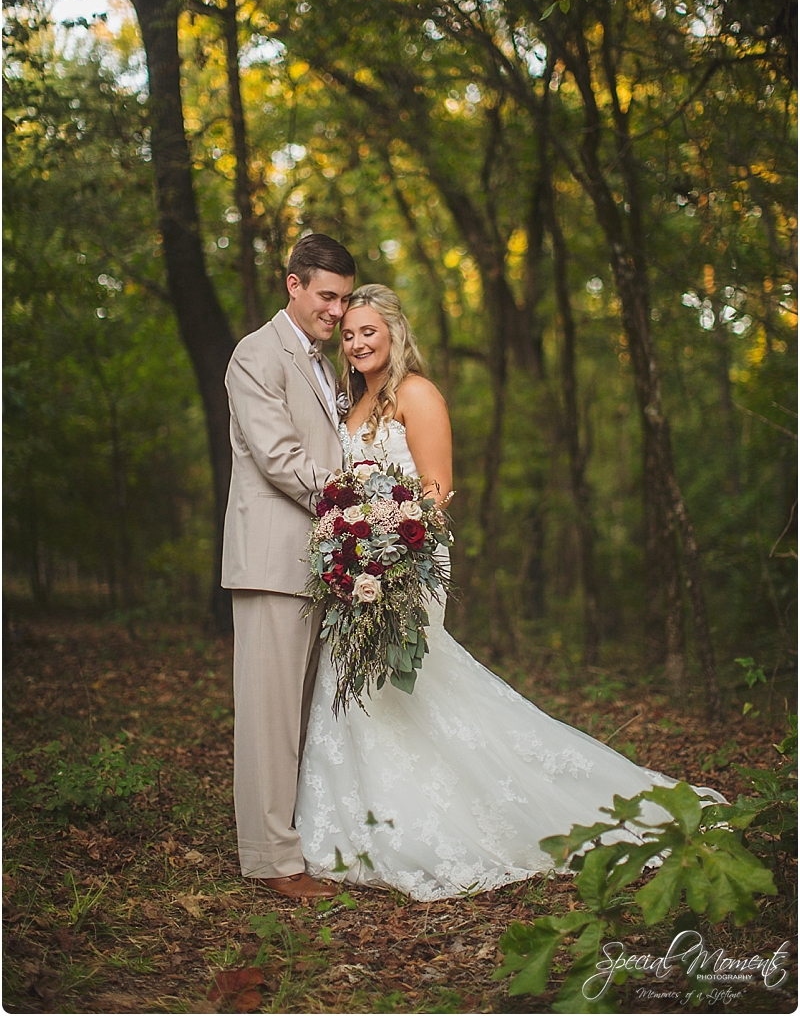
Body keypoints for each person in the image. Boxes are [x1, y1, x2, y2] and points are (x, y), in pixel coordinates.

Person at [295, 284, 724, 902]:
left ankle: (452, 817)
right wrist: (348, 542)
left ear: (395, 332)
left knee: (412, 683)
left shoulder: (416, 393)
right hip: (355, 565)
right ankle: (359, 824)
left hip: (407, 560)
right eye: (350, 333)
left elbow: (437, 491)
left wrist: (387, 549)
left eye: (370, 331)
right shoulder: (350, 401)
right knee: (357, 686)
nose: (358, 342)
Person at [222, 233, 355, 899]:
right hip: (273, 559)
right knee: (270, 717)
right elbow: (276, 458)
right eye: (326, 296)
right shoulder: (257, 353)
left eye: (345, 299)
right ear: (293, 285)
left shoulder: (325, 367)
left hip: (316, 560)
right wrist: (353, 501)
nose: (336, 310)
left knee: (303, 715)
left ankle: (294, 843)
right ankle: (272, 862)